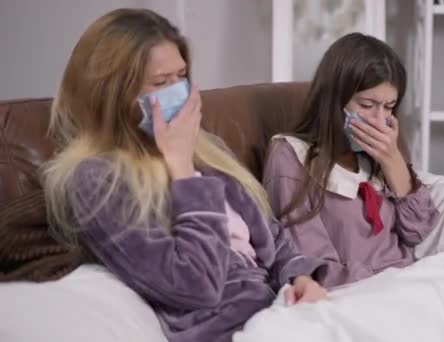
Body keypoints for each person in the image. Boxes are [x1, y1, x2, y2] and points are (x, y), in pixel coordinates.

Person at [42, 8, 327, 342]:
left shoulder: (207, 148)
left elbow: (273, 239)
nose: (179, 91)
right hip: (228, 328)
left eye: (182, 76)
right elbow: (195, 285)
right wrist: (181, 170)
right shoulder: (96, 180)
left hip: (280, 309)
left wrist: (300, 279)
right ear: (113, 96)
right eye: (161, 83)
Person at [263, 32, 440, 288]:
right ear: (334, 99)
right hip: (358, 291)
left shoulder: (378, 155)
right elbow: (312, 263)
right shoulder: (290, 155)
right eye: (367, 104)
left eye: (389, 106)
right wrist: (385, 282)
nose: (379, 120)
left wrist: (393, 161)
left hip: (408, 280)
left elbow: (419, 231)